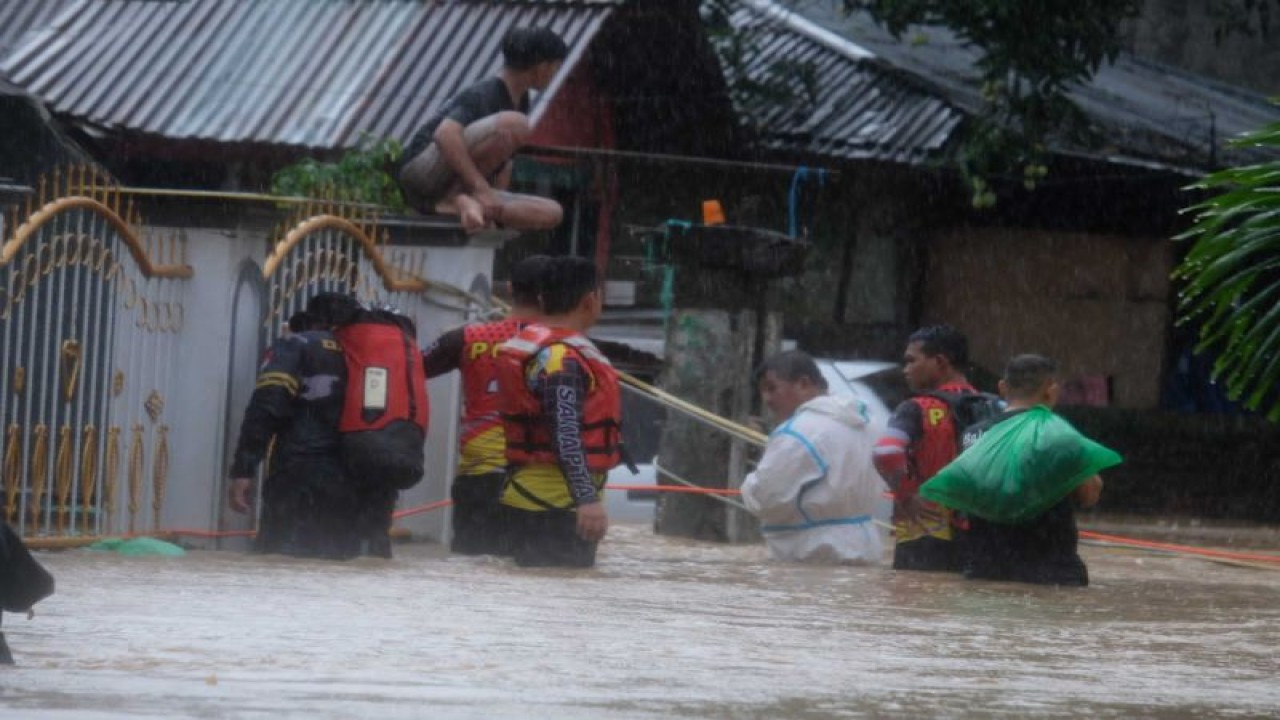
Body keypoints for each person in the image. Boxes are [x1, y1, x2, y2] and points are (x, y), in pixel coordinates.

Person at [228, 293, 388, 559]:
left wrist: (243, 469)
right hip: (355, 481)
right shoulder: (368, 353)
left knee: (280, 565)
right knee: (337, 573)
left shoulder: (298, 344)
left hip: (297, 474)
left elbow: (267, 405)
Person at [496, 256, 620, 568]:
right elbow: (565, 432)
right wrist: (587, 499)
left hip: (537, 501)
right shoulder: (561, 359)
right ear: (591, 301)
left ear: (541, 299)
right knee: (560, 604)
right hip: (553, 507)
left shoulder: (545, 350)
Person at [422, 255, 549, 555]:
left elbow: (410, 370)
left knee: (471, 578)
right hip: (538, 483)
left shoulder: (468, 337)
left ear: (508, 288)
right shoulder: (562, 345)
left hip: (479, 479)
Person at [398, 27, 567, 233]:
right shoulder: (487, 92)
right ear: (541, 67)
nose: (555, 74)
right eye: (555, 67)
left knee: (552, 212)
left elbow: (505, 165)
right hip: (422, 171)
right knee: (516, 124)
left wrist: (493, 203)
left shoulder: (521, 101)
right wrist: (481, 188)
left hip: (468, 187)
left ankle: (470, 208)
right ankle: (454, 199)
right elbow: (445, 134)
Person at [959, 354, 1104, 586]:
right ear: (1051, 391)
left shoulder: (972, 435)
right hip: (1049, 570)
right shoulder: (1058, 435)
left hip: (986, 566)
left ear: (1002, 388)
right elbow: (1088, 495)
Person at [740, 351, 886, 564]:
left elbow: (766, 497)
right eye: (763, 391)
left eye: (772, 388)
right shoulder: (865, 423)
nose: (767, 399)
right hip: (865, 547)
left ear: (803, 384)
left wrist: (748, 486)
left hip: (812, 554)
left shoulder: (797, 433)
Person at [873, 325, 981, 572]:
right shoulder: (994, 407)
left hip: (923, 535)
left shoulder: (916, 408)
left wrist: (906, 493)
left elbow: (886, 453)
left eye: (911, 361)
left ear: (940, 362)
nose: (905, 370)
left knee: (916, 606)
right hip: (980, 538)